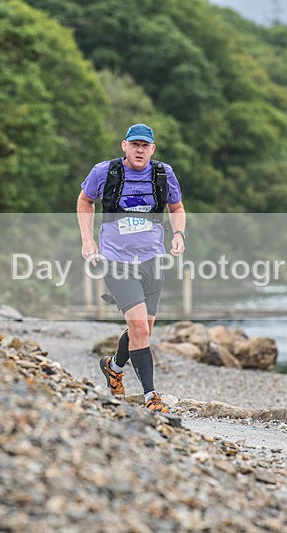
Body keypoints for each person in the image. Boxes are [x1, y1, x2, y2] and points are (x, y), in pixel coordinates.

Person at [77, 123, 186, 413]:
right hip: (116, 261)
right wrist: (88, 242)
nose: (139, 150)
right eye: (134, 144)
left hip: (152, 261)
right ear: (124, 145)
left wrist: (178, 235)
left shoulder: (163, 173)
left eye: (145, 145)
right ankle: (152, 398)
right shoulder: (104, 172)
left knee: (144, 331)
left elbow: (176, 208)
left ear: (153, 148)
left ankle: (112, 367)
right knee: (138, 327)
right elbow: (85, 201)